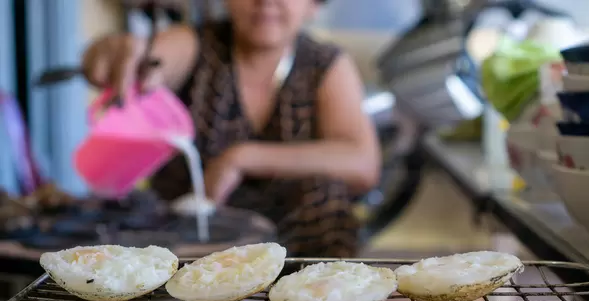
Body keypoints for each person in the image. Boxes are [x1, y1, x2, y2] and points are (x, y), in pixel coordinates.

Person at [82, 0, 381, 257]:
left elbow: (362, 163)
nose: (265, 1)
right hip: (188, 253)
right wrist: (122, 53)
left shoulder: (325, 65)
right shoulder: (195, 44)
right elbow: (151, 58)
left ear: (314, 5)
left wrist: (241, 158)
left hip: (298, 259)